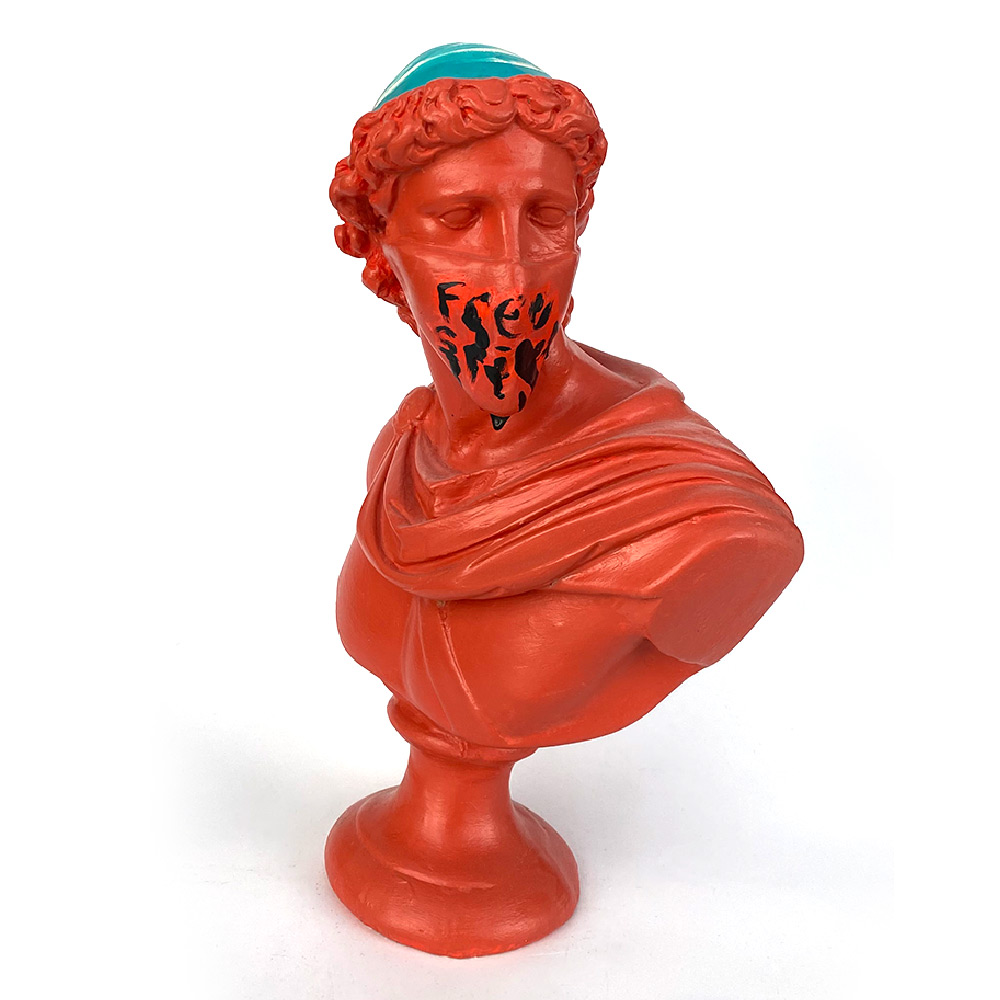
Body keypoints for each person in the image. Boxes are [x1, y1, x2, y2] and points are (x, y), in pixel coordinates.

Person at [324, 42, 805, 958]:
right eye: (459, 218)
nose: (511, 274)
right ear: (383, 251)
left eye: (544, 217)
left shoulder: (700, 514)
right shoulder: (404, 447)